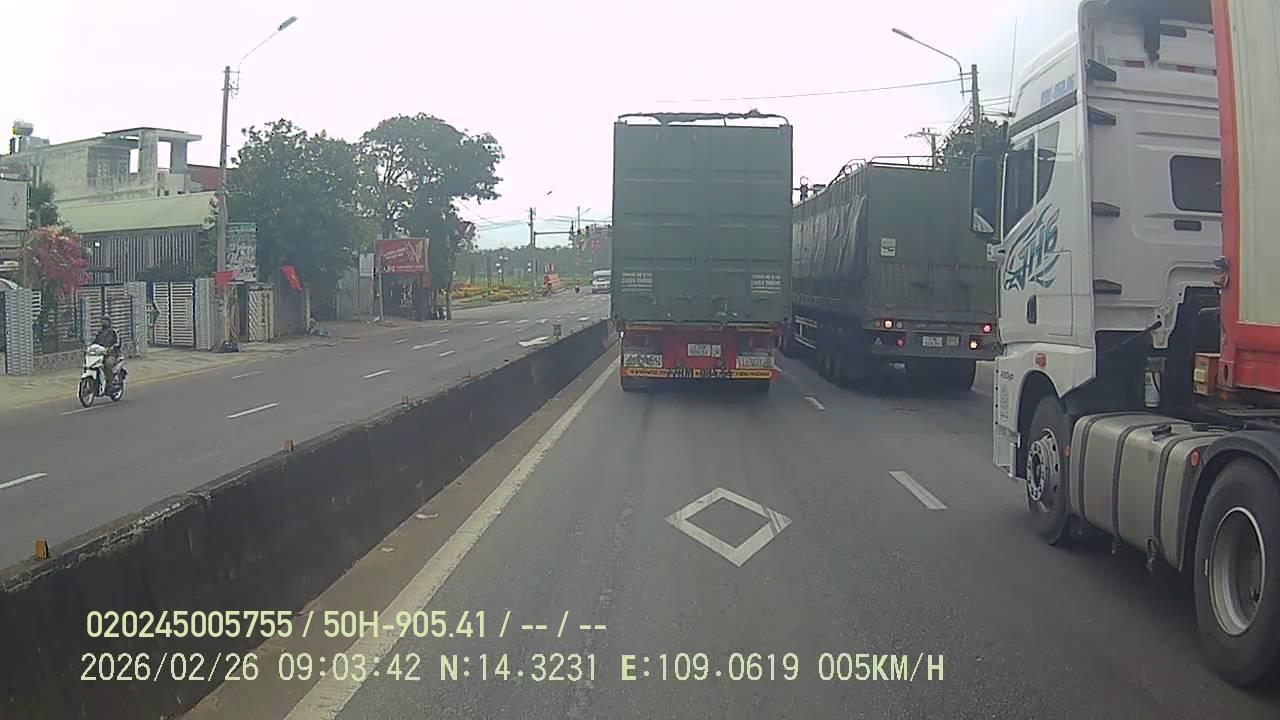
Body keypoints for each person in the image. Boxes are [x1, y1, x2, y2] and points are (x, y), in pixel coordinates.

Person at [92, 317, 120, 382]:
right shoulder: (99, 333)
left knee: (108, 363)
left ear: (109, 322)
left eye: (105, 321)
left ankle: (110, 381)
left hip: (111, 354)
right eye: (102, 321)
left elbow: (118, 343)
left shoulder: (114, 332)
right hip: (99, 354)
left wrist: (112, 348)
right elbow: (94, 342)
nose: (103, 323)